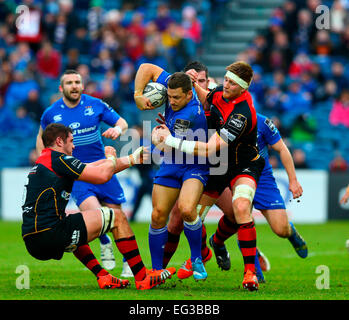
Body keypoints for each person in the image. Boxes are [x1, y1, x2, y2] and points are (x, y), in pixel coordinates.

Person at [153, 61, 265, 291]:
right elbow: (202, 96)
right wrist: (190, 83)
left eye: (232, 83)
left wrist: (169, 140)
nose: (226, 85)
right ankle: (197, 256)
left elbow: (208, 148)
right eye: (225, 79)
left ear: (243, 88)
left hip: (242, 165)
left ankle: (250, 273)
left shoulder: (241, 115)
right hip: (217, 167)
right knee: (189, 214)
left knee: (241, 208)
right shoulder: (218, 93)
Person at [22, 123, 174, 290]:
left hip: (32, 239)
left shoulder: (45, 160)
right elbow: (102, 175)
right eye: (71, 141)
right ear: (59, 141)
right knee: (118, 217)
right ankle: (142, 277)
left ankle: (103, 276)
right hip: (50, 233)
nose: (74, 145)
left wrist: (131, 159)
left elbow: (94, 168)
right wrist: (110, 157)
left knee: (73, 225)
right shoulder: (59, 160)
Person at [36, 69, 127, 274]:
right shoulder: (51, 112)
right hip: (77, 173)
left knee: (118, 215)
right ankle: (105, 243)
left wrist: (117, 130)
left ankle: (127, 261)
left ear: (82, 85)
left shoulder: (95, 104)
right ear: (61, 88)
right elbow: (42, 137)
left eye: (77, 82)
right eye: (69, 83)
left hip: (104, 167)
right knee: (95, 213)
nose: (74, 86)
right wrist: (43, 162)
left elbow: (122, 122)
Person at [134, 63, 210, 281]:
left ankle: (196, 258)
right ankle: (156, 270)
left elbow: (166, 145)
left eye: (176, 98)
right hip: (172, 163)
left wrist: (159, 137)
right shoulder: (174, 85)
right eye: (169, 96)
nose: (171, 101)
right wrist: (138, 94)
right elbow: (146, 67)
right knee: (158, 215)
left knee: (186, 209)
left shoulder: (191, 114)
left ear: (189, 94)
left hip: (195, 163)